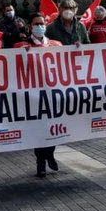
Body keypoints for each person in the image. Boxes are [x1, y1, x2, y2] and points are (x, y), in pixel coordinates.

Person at [17, 13, 65, 177]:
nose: (39, 26)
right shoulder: (22, 45)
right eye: (36, 23)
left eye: (42, 23)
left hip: (52, 94)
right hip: (34, 96)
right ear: (30, 26)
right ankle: (41, 162)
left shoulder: (55, 44)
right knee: (39, 129)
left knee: (54, 127)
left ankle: (50, 153)